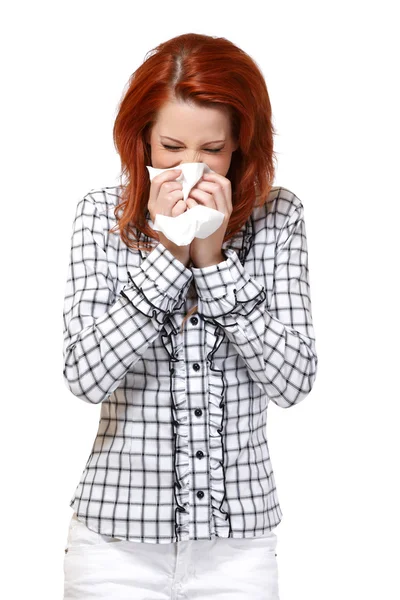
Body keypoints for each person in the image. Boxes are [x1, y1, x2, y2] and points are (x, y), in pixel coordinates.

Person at [62, 32, 318, 600]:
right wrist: (171, 253)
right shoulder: (101, 217)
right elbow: (83, 375)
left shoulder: (279, 217)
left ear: (242, 146)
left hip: (238, 551)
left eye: (213, 150)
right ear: (143, 141)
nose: (191, 169)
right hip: (114, 547)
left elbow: (294, 381)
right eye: (172, 148)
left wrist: (214, 258)